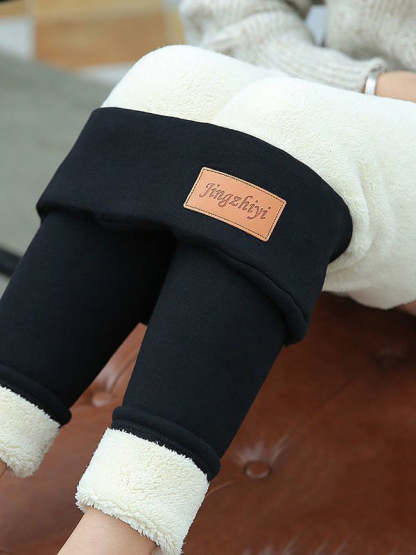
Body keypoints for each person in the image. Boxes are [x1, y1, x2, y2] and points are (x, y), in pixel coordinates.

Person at [0, 2, 415, 555]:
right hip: (358, 126)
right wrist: (368, 85)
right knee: (171, 80)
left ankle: (111, 541)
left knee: (293, 125)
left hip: (339, 148)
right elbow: (235, 17)